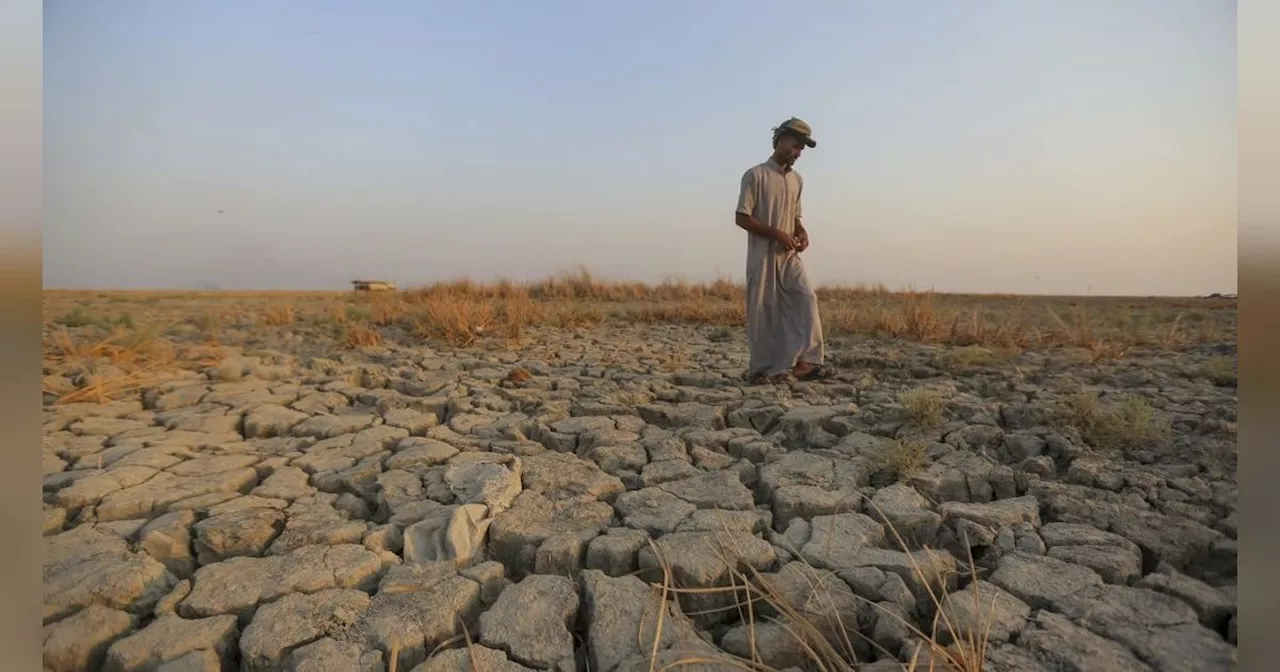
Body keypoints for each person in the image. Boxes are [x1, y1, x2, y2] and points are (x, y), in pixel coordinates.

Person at [734, 117, 827, 384]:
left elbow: (795, 216)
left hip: (788, 256)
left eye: (801, 150)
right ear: (780, 140)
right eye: (795, 146)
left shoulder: (797, 180)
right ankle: (764, 369)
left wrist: (800, 231)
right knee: (764, 310)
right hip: (762, 254)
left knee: (805, 297)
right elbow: (742, 218)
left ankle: (808, 362)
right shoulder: (755, 175)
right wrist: (776, 233)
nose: (797, 153)